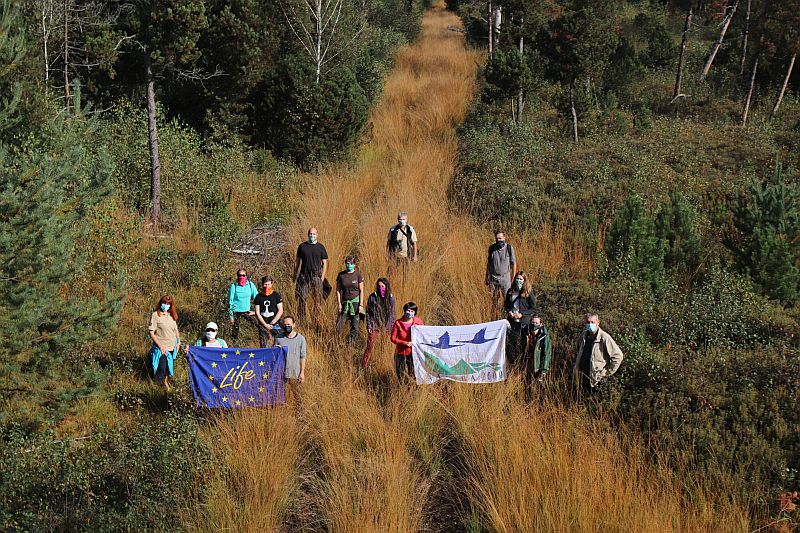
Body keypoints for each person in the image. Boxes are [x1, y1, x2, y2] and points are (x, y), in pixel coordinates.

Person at [574, 313, 624, 394]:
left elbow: (618, 356)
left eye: (592, 322)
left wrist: (606, 373)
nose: (590, 325)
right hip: (582, 377)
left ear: (598, 322)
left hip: (597, 380)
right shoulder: (583, 336)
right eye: (588, 322)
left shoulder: (604, 337)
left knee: (594, 402)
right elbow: (578, 350)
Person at [360, 277, 396, 370]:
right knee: (370, 346)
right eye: (379, 286)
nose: (381, 288)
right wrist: (369, 325)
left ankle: (380, 365)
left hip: (386, 326)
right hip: (374, 325)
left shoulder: (391, 298)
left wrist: (390, 327)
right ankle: (363, 366)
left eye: (383, 286)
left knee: (384, 347)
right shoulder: (373, 296)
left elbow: (392, 314)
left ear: (387, 286)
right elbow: (368, 312)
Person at [504, 271, 536, 369]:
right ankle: (512, 364)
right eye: (517, 279)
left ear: (524, 281)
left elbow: (533, 308)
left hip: (523, 323)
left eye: (521, 279)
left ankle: (523, 365)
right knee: (511, 344)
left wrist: (522, 314)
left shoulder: (528, 292)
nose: (518, 281)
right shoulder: (510, 291)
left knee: (523, 345)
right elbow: (506, 305)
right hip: (512, 322)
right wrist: (509, 312)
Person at [294, 227, 329, 319]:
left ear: (317, 235)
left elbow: (325, 263)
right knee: (302, 298)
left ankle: (316, 319)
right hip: (304, 277)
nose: (311, 235)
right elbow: (297, 261)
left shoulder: (321, 247)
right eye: (310, 234)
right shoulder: (302, 246)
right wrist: (294, 274)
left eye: (313, 234)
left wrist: (322, 277)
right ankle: (302, 319)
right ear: (307, 234)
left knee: (317, 300)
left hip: (316, 277)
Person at [273, 316, 307, 409]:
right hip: (281, 373)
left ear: (294, 325)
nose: (286, 326)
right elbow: (273, 354)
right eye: (284, 325)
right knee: (280, 395)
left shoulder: (301, 339)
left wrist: (302, 372)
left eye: (288, 324)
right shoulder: (278, 338)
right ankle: (281, 411)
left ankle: (299, 413)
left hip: (295, 372)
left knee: (297, 395)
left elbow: (303, 356)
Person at [148, 295, 181, 390]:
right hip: (161, 349)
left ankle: (166, 387)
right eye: (164, 303)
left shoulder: (172, 316)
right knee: (161, 370)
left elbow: (175, 330)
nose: (166, 305)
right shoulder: (156, 315)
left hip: (172, 348)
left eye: (168, 304)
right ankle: (161, 390)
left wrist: (178, 342)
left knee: (167, 370)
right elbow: (151, 332)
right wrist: (160, 346)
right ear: (160, 303)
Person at [390, 301, 424, 382]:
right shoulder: (398, 322)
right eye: (408, 310)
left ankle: (411, 389)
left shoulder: (418, 322)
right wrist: (404, 343)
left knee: (413, 372)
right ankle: (403, 386)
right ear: (404, 311)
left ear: (415, 312)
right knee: (400, 372)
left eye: (412, 311)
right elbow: (393, 338)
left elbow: (423, 335)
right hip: (400, 352)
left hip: (414, 352)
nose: (410, 313)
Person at [485, 230, 516, 316]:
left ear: (504, 238)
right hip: (493, 278)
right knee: (494, 299)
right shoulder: (492, 248)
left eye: (500, 238)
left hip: (505, 278)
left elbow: (513, 263)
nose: (499, 240)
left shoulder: (509, 248)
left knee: (508, 299)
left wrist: (513, 277)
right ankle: (496, 316)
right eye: (497, 238)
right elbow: (489, 263)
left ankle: (507, 316)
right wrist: (486, 276)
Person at [336, 255, 365, 345]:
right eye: (347, 263)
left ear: (354, 264)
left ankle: (351, 343)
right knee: (340, 324)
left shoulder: (358, 275)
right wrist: (339, 304)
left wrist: (361, 305)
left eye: (351, 264)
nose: (349, 265)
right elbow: (337, 290)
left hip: (355, 302)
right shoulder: (341, 275)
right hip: (345, 302)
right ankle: (337, 342)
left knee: (354, 324)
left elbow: (361, 290)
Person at [228, 268, 259, 343]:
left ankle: (254, 342)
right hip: (236, 312)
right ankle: (235, 346)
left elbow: (257, 298)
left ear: (246, 276)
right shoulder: (234, 286)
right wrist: (231, 316)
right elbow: (230, 302)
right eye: (239, 275)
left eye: (243, 275)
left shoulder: (250, 285)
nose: (241, 277)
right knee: (235, 332)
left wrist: (256, 311)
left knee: (257, 326)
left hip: (247, 311)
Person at [254, 275, 283, 348]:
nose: (267, 286)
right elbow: (257, 312)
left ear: (271, 284)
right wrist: (265, 324)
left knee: (278, 344)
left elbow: (280, 310)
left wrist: (272, 323)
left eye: (269, 284)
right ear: (262, 284)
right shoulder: (258, 297)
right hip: (263, 325)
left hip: (275, 324)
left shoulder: (276, 295)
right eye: (265, 284)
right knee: (264, 346)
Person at [525, 316, 551, 395]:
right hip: (526, 365)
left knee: (539, 389)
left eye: (536, 323)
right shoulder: (525, 333)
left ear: (541, 324)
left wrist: (543, 370)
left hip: (537, 366)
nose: (534, 324)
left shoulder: (544, 337)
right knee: (526, 387)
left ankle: (540, 405)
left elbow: (546, 354)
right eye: (533, 322)